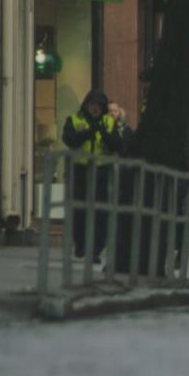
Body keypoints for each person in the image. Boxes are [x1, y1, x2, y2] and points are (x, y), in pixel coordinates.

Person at [61, 90, 128, 263]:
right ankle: (81, 244)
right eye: (92, 105)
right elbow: (69, 139)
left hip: (101, 171)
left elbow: (119, 145)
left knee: (100, 214)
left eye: (99, 106)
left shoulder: (108, 122)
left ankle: (95, 250)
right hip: (80, 170)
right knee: (79, 211)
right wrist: (88, 132)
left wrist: (106, 135)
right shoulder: (75, 120)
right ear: (86, 105)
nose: (95, 109)